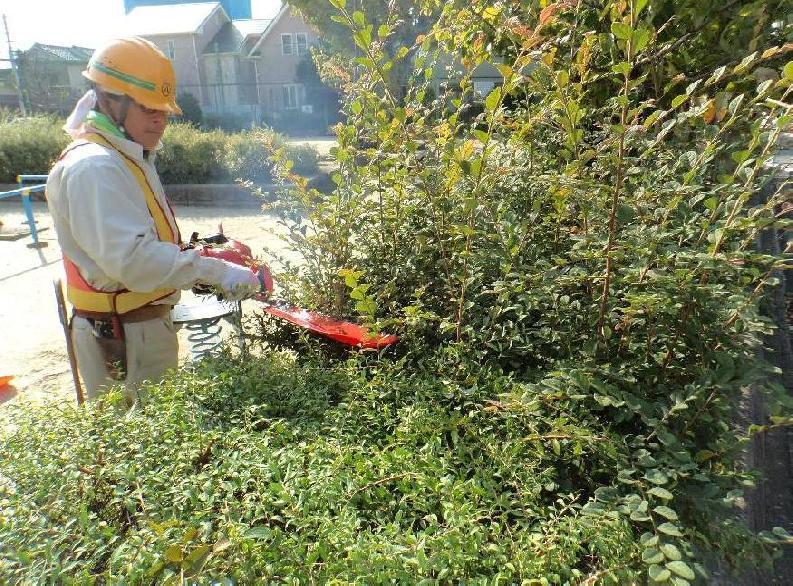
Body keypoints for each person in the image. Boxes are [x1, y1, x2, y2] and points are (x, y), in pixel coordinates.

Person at [46, 37, 260, 405]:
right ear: (111, 99)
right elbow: (135, 262)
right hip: (121, 336)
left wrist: (196, 256)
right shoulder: (96, 166)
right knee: (136, 450)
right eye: (149, 109)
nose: (160, 120)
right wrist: (215, 272)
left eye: (164, 112)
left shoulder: (124, 155)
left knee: (149, 444)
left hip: (132, 327)